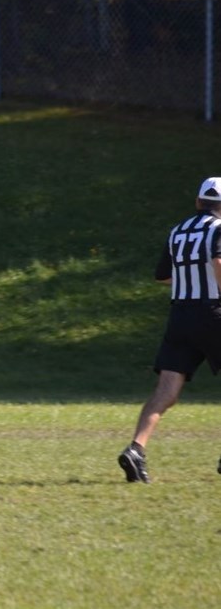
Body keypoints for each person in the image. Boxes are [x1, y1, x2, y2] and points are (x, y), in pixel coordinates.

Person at [119, 177, 221, 483]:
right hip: (215, 312)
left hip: (181, 316)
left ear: (197, 202)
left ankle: (136, 449)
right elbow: (218, 260)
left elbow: (163, 276)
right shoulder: (219, 229)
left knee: (166, 391)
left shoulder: (177, 231)